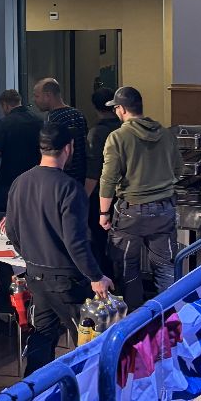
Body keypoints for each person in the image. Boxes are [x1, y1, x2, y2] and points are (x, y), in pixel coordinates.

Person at [5, 116, 112, 373]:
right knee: (85, 341)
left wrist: (30, 256)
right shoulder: (70, 189)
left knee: (42, 336)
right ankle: (87, 389)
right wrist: (95, 276)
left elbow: (11, 230)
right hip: (67, 281)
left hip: (35, 275)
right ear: (68, 148)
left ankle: (34, 391)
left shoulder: (20, 182)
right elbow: (76, 242)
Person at [98, 86, 182, 312]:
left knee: (127, 268)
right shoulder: (166, 134)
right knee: (165, 268)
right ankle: (168, 318)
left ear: (121, 109)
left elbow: (108, 178)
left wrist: (104, 213)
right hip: (164, 209)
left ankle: (134, 320)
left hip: (130, 212)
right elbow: (179, 169)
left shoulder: (118, 137)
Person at [85, 90, 123, 273]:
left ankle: (105, 279)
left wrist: (83, 197)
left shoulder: (97, 132)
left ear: (96, 108)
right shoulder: (125, 129)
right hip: (125, 195)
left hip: (101, 196)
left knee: (99, 242)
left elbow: (94, 171)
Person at [0, 89, 42, 216]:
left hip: (10, 178)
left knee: (4, 216)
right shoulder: (39, 120)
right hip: (34, 178)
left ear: (5, 105)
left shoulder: (4, 123)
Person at [32, 78, 87, 184]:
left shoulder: (52, 119)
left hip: (61, 179)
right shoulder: (78, 114)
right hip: (80, 178)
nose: (34, 100)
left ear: (48, 95)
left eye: (37, 96)